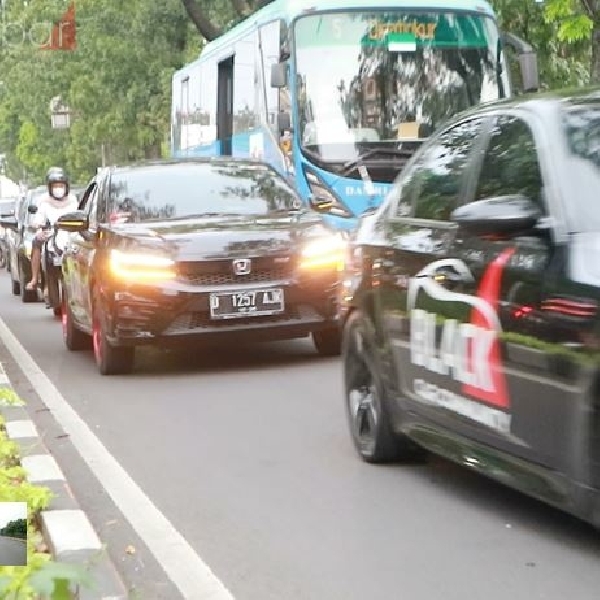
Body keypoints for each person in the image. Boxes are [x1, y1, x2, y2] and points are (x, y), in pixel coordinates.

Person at [27, 167, 78, 294]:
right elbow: (39, 218)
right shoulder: (44, 201)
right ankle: (34, 278)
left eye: (61, 185)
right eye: (55, 186)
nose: (58, 188)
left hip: (70, 233)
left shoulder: (73, 200)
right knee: (36, 242)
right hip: (51, 233)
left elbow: (77, 215)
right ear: (50, 187)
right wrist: (38, 226)